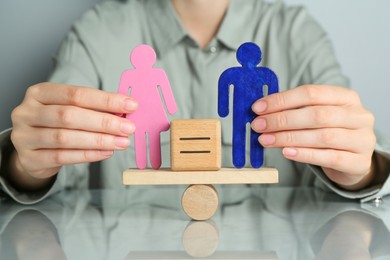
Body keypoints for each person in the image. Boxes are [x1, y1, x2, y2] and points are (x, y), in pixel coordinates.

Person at [0, 0, 389, 204]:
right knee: (153, 145)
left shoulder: (296, 34)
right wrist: (26, 164)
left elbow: (355, 143)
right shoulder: (98, 33)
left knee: (247, 144)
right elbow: (55, 156)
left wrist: (361, 170)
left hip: (248, 122)